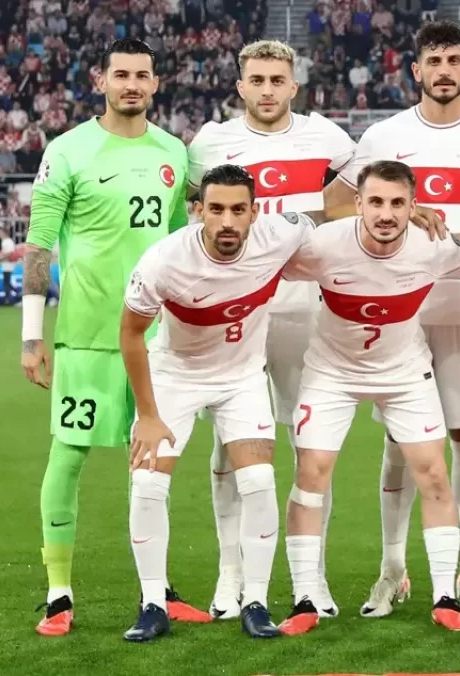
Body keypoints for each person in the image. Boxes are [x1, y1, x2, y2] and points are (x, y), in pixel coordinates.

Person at [325, 20, 460, 613]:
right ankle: (393, 570)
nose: (443, 70)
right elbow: (336, 205)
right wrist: (403, 212)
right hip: (399, 313)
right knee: (400, 442)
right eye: (432, 61)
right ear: (416, 71)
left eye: (452, 60)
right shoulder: (384, 135)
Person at [20, 38, 201, 637]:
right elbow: (39, 248)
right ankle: (58, 593)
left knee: (153, 465)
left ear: (155, 83)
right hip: (89, 335)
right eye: (121, 74)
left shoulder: (173, 151)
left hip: (155, 340)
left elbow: (179, 245)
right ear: (101, 80)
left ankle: (158, 591)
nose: (131, 85)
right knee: (68, 455)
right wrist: (32, 337)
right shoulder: (67, 151)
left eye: (142, 75)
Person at [277, 160, 460, 635]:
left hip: (405, 373)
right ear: (357, 203)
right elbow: (261, 260)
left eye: (397, 203)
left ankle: (444, 597)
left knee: (434, 474)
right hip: (331, 372)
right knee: (310, 474)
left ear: (415, 206)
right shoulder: (323, 245)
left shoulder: (433, 246)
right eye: (375, 201)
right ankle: (305, 597)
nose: (386, 213)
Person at [186, 39, 358, 621]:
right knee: (228, 443)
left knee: (312, 443)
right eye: (256, 80)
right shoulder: (211, 143)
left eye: (276, 80)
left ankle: (312, 578)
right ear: (240, 86)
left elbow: (356, 197)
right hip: (231, 312)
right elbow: (192, 214)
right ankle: (230, 574)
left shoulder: (326, 138)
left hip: (303, 310)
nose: (266, 90)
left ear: (293, 86)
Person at [118, 165, 308, 642]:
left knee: (259, 481)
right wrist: (147, 415)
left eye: (238, 210)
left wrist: (411, 217)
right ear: (198, 210)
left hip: (242, 377)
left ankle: (255, 602)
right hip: (175, 376)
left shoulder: (281, 234)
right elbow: (131, 334)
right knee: (147, 483)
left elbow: (338, 227)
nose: (227, 221)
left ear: (255, 212)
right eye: (216, 209)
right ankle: (153, 603)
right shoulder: (164, 262)